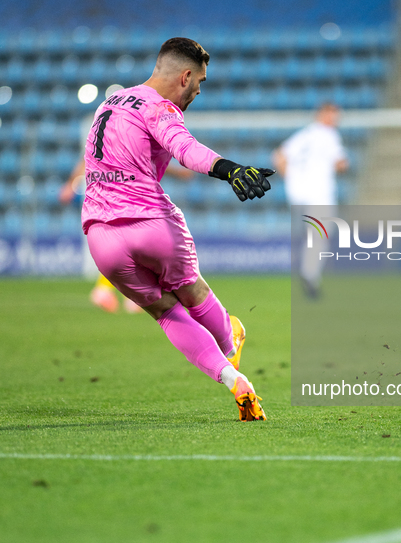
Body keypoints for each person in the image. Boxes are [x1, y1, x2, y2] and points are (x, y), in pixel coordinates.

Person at [81, 37, 274, 421]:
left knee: (167, 314)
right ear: (185, 76)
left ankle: (232, 379)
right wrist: (230, 168)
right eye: (199, 83)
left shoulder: (111, 102)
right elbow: (185, 147)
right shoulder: (160, 108)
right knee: (194, 290)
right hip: (152, 223)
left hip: (102, 238)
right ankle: (229, 340)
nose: (198, 92)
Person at [61, 156, 191, 314]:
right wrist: (70, 185)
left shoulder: (116, 141)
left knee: (129, 246)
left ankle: (119, 291)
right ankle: (121, 292)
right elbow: (87, 160)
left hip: (117, 199)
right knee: (137, 242)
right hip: (120, 200)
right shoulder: (122, 139)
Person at [273, 103, 348, 297]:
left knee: (313, 235)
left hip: (299, 195)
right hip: (320, 194)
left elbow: (279, 156)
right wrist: (342, 164)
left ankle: (309, 272)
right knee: (321, 235)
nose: (335, 119)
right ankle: (310, 275)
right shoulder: (329, 135)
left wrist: (290, 180)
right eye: (333, 115)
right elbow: (340, 163)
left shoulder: (304, 135)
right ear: (323, 115)